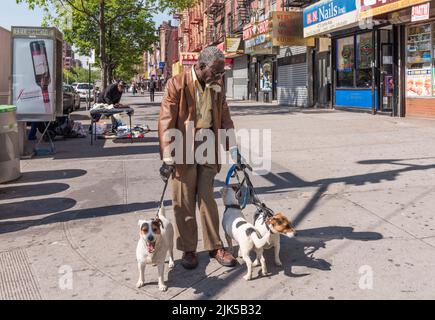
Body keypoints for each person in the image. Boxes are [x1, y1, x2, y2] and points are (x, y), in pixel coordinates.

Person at [158, 46, 240, 270]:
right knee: (183, 201)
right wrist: (167, 156)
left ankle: (215, 246)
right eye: (216, 72)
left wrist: (233, 149)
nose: (219, 76)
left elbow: (225, 119)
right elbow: (166, 120)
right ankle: (188, 249)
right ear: (201, 67)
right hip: (182, 145)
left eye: (221, 73)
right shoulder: (177, 84)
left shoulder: (217, 87)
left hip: (208, 145)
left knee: (207, 199)